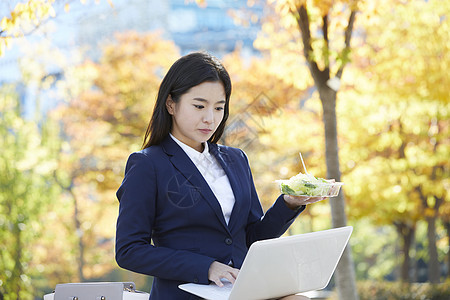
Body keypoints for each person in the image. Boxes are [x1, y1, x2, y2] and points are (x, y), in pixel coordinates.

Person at [115, 52, 324, 300]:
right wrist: (206, 267)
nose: (210, 118)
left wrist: (289, 203)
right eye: (199, 106)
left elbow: (253, 239)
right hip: (187, 293)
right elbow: (129, 250)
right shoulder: (148, 164)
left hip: (241, 290)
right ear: (171, 104)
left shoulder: (236, 159)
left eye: (219, 108)